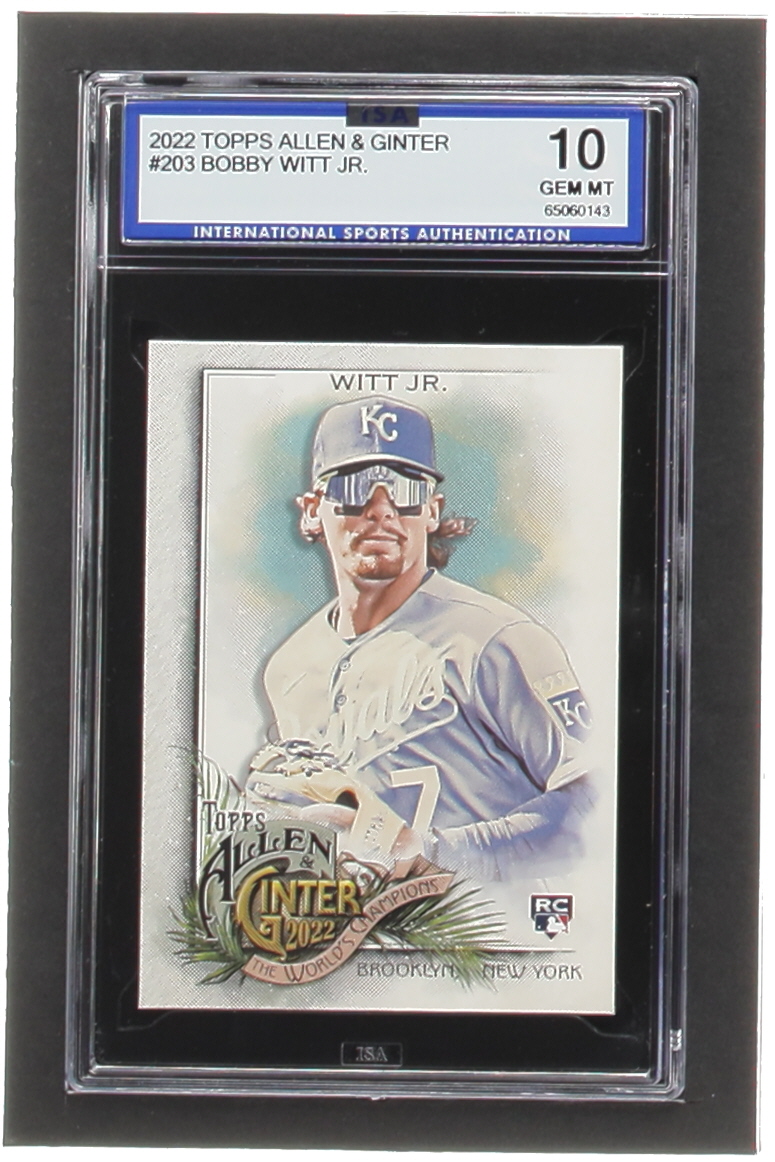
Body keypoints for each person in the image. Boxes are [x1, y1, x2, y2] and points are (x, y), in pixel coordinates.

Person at [248, 397, 594, 881]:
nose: (381, 510)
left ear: (432, 510)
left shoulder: (497, 639)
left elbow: (598, 805)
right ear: (311, 511)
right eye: (354, 487)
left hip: (487, 922)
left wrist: (432, 852)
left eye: (405, 488)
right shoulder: (288, 670)